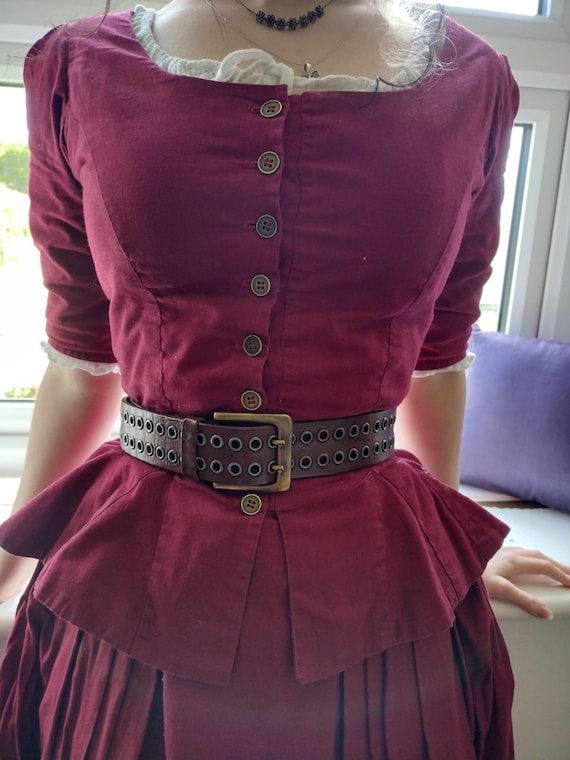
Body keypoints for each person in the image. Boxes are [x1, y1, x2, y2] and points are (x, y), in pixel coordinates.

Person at [1, 1, 570, 757]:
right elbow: (80, 357)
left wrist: (453, 546)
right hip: (140, 575)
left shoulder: (474, 80)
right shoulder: (76, 67)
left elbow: (439, 358)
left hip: (374, 585)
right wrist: (8, 556)